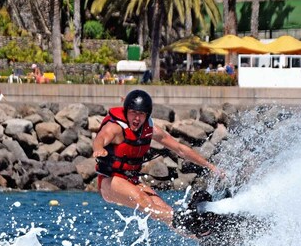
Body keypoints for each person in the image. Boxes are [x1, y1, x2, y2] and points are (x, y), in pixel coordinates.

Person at [93, 89, 222, 228]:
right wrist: (99, 149)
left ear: (147, 115)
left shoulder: (150, 129)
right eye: (133, 113)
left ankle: (206, 237)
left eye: (141, 114)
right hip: (109, 182)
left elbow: (180, 149)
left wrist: (210, 166)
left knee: (165, 210)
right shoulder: (116, 128)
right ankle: (184, 217)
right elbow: (100, 138)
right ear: (126, 111)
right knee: (144, 201)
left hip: (132, 181)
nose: (137, 118)